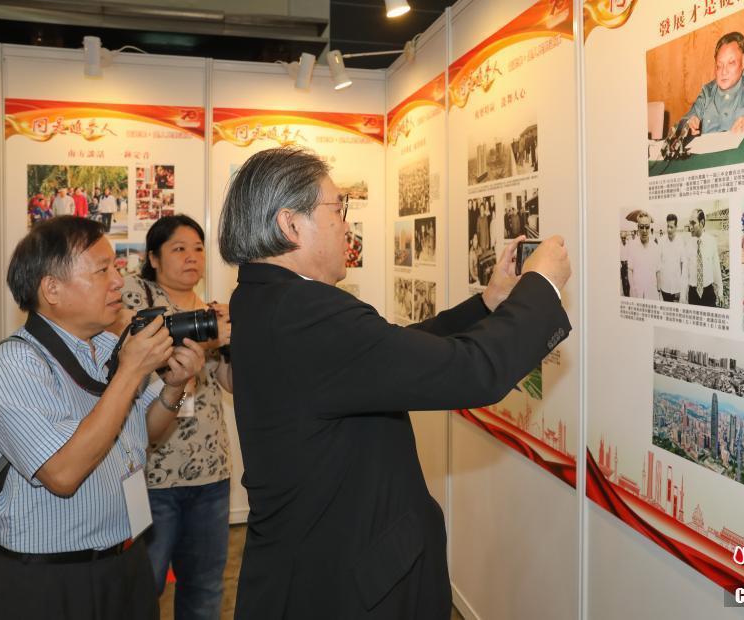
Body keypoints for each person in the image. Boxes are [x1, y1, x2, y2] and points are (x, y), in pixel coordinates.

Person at [218, 147, 571, 620]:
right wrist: (541, 286)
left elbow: (387, 353)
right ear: (290, 224)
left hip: (317, 565)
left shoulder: (265, 300)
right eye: (338, 209)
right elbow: (474, 372)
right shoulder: (304, 312)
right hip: (346, 584)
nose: (347, 225)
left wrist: (488, 303)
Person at [0, 216, 204, 619]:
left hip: (126, 560)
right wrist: (132, 372)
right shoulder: (15, 364)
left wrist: (174, 387)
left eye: (115, 267)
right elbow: (63, 474)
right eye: (102, 271)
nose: (119, 281)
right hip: (49, 579)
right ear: (52, 289)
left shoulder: (106, 345)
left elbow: (144, 432)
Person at [115, 214, 233, 620]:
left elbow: (229, 383)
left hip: (210, 473)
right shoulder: (136, 297)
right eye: (179, 249)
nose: (191, 258)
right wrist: (209, 333)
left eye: (198, 248)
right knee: (142, 588)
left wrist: (233, 343)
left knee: (204, 588)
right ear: (153, 257)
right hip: (151, 473)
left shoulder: (208, 309)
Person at [681, 31, 744, 135]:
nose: (724, 72)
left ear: (743, 61)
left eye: (731, 63)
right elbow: (684, 121)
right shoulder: (707, 92)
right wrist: (689, 123)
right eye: (719, 66)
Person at [682, 208, 723, 307]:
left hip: (708, 293)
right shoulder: (687, 245)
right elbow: (684, 273)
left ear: (702, 222)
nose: (690, 227)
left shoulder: (711, 242)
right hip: (693, 295)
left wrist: (720, 292)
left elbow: (716, 268)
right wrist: (682, 296)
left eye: (693, 223)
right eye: (689, 223)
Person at [627, 211, 661, 300]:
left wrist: (659, 291)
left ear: (650, 227)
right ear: (638, 227)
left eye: (647, 227)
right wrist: (632, 289)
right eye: (641, 227)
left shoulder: (655, 247)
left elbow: (658, 271)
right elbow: (630, 269)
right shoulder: (632, 245)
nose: (644, 230)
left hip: (652, 294)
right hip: (636, 293)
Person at [659, 213, 686, 302]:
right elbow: (658, 263)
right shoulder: (661, 241)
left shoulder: (680, 242)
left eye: (671, 227)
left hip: (676, 288)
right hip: (664, 287)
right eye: (668, 226)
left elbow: (683, 265)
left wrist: (682, 287)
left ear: (676, 227)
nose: (669, 230)